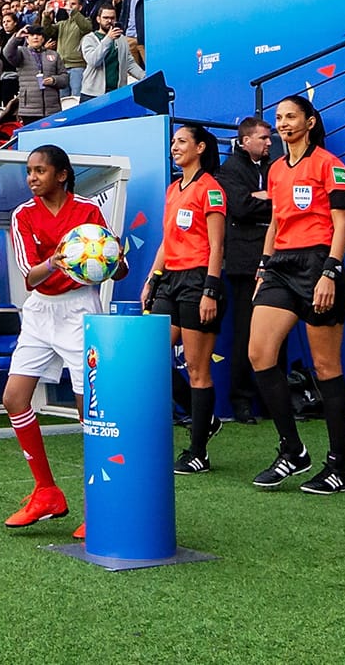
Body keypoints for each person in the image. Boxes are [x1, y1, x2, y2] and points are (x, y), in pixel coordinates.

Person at [3, 144, 126, 533]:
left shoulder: (88, 211)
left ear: (61, 174)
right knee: (14, 398)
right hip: (40, 311)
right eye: (29, 171)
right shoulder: (23, 215)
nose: (32, 178)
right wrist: (55, 261)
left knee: (90, 408)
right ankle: (46, 491)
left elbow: (116, 270)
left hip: (80, 311)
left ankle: (103, 503)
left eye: (40, 171)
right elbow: (29, 274)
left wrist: (113, 261)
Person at [248, 95, 345, 495]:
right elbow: (275, 221)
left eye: (291, 116)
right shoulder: (275, 169)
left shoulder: (331, 165)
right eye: (278, 118)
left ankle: (338, 468)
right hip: (280, 266)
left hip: (318, 265)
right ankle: (293, 451)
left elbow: (341, 225)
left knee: (326, 367)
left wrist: (330, 272)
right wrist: (263, 265)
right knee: (259, 354)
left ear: (310, 122)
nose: (283, 123)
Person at [141, 125, 227, 474]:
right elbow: (167, 239)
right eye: (173, 142)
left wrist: (210, 290)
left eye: (181, 142)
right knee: (150, 353)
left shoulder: (212, 189)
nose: (174, 147)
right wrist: (152, 278)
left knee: (196, 368)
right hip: (170, 281)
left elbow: (217, 247)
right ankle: (202, 417)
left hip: (198, 282)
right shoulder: (173, 188)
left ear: (200, 147)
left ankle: (198, 451)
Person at [216, 117, 273, 424]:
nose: (268, 143)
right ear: (245, 140)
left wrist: (265, 198)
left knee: (276, 334)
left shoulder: (275, 165)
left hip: (277, 259)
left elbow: (289, 202)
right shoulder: (230, 169)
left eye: (269, 138)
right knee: (245, 332)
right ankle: (241, 401)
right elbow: (240, 207)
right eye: (263, 138)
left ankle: (271, 399)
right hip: (243, 263)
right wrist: (264, 200)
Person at [2, 24, 68, 124]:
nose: (35, 37)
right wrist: (17, 38)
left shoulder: (54, 54)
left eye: (38, 34)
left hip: (52, 108)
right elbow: (7, 53)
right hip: (29, 109)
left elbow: (65, 78)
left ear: (43, 38)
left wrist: (54, 80)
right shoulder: (21, 53)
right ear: (27, 39)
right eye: (32, 35)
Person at [80, 5, 144, 103]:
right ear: (98, 19)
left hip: (117, 92)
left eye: (112, 18)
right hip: (93, 94)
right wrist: (108, 39)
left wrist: (144, 76)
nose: (109, 21)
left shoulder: (121, 39)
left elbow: (129, 63)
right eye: (105, 18)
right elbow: (93, 61)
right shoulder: (89, 39)